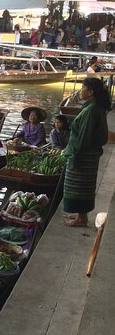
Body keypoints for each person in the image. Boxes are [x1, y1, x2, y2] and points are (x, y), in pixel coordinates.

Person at [62, 78, 111, 227]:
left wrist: (75, 154)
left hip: (83, 155)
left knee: (79, 187)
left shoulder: (91, 110)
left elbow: (84, 136)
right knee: (83, 186)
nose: (79, 90)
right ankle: (80, 214)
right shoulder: (93, 107)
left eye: (82, 88)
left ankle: (82, 219)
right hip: (89, 154)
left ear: (90, 92)